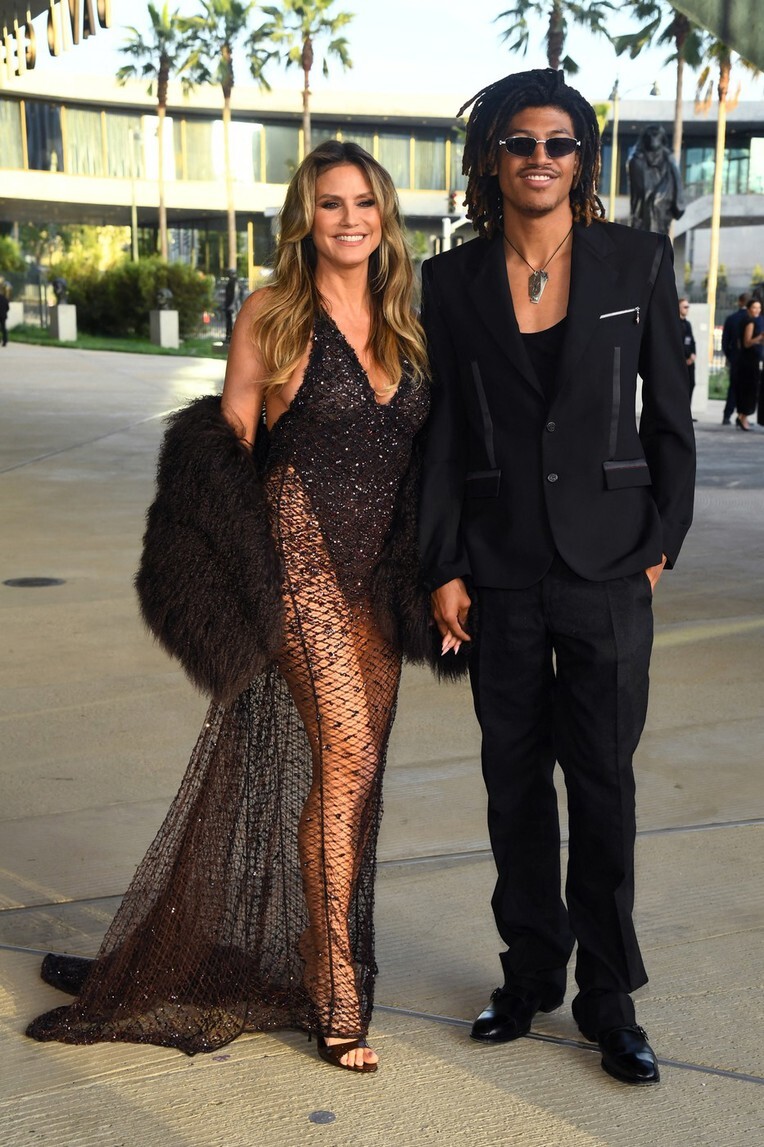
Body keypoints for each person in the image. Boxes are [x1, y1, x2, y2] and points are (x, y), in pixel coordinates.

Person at [26, 141, 432, 1074]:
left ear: (384, 215)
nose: (349, 219)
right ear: (305, 218)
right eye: (329, 203)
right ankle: (333, 978)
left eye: (363, 202)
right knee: (349, 755)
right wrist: (242, 585)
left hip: (378, 576)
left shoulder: (406, 323)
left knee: (354, 774)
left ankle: (315, 945)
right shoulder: (273, 313)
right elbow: (228, 445)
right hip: (297, 559)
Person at [419, 69, 695, 1086]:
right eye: (520, 142)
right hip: (497, 569)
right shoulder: (449, 281)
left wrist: (660, 542)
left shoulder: (636, 259)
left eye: (559, 143)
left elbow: (670, 415)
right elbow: (443, 434)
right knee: (513, 784)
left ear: (582, 160)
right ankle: (529, 972)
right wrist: (443, 560)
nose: (540, 158)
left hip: (610, 564)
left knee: (603, 783)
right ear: (491, 159)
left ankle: (610, 997)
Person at [628, 124, 685, 235]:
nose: (653, 139)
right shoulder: (637, 160)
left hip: (663, 213)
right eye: (650, 136)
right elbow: (640, 192)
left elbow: (677, 181)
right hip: (643, 215)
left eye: (656, 135)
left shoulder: (669, 160)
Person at [735, 296, 764, 430]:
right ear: (748, 309)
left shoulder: (747, 320)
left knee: (747, 389)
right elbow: (747, 343)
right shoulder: (750, 322)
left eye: (759, 307)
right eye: (754, 307)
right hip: (749, 361)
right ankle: (743, 418)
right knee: (749, 389)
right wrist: (760, 337)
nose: (757, 310)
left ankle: (742, 417)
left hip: (748, 360)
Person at [721, 293, 749, 425]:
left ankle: (727, 415)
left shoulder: (732, 318)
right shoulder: (754, 319)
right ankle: (742, 416)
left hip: (735, 358)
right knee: (747, 388)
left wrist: (730, 355)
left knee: (733, 387)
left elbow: (725, 341)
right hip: (749, 358)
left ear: (740, 302)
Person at [678, 297, 696, 416]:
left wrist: (693, 355)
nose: (687, 309)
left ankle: (686, 412)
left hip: (690, 361)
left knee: (691, 384)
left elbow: (692, 341)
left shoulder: (687, 324)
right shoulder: (675, 324)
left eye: (688, 307)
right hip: (680, 361)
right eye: (685, 307)